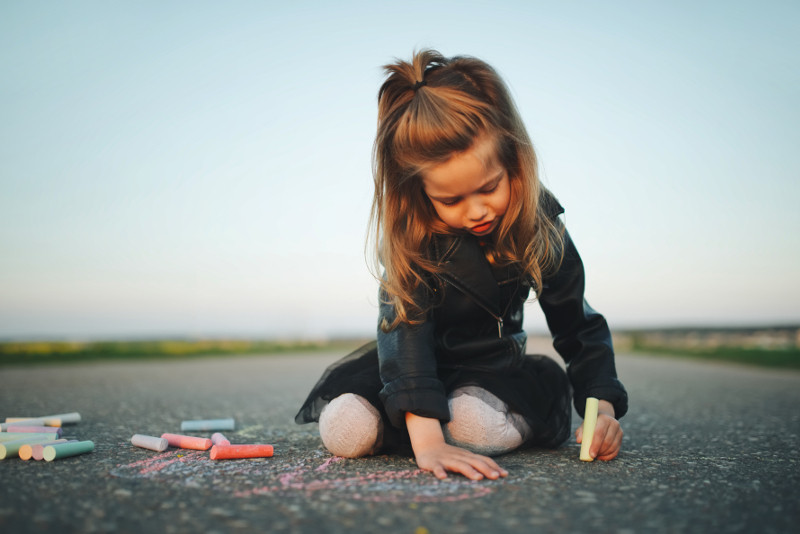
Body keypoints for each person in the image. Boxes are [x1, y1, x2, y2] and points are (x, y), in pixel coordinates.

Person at [295, 49, 628, 481]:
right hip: (422, 371)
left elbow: (576, 325)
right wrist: (428, 444)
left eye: (488, 188)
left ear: (513, 162)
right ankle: (418, 424)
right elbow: (405, 334)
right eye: (451, 200)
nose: (476, 211)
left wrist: (599, 406)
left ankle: (447, 424)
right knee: (345, 428)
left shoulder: (539, 225)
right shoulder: (413, 237)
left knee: (472, 422)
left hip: (496, 371)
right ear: (418, 193)